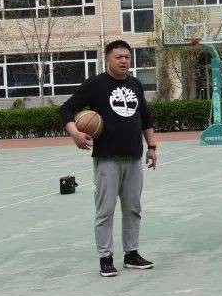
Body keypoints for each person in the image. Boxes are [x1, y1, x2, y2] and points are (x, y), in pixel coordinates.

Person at [59, 40, 158, 278]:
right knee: (106, 209)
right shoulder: (96, 84)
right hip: (107, 158)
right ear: (108, 59)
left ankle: (131, 254)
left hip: (134, 157)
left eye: (127, 57)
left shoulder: (135, 84)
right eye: (119, 57)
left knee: (133, 208)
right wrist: (75, 133)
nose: (124, 61)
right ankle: (106, 258)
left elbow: (146, 118)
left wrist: (152, 147)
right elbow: (66, 109)